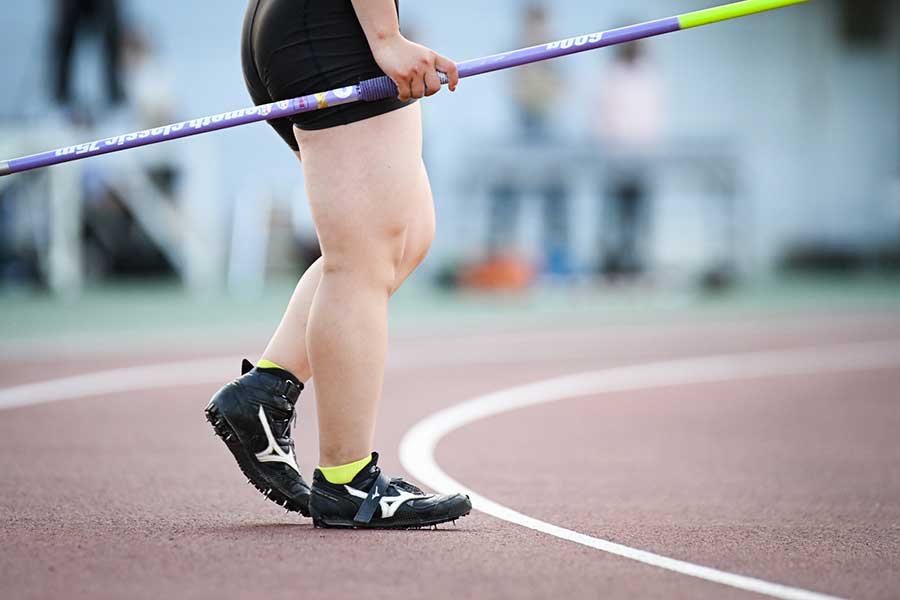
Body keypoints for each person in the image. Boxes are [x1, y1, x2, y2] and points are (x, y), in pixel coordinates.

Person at [205, 0, 472, 529]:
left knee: (404, 236)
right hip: (331, 27)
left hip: (307, 24)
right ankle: (347, 481)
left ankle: (266, 391)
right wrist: (385, 36)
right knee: (363, 260)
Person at [592, 40, 665, 278]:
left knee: (639, 211)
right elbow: (602, 113)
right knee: (612, 211)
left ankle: (637, 261)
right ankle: (610, 263)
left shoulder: (650, 73)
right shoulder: (611, 75)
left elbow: (653, 112)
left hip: (643, 153)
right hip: (615, 153)